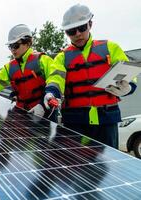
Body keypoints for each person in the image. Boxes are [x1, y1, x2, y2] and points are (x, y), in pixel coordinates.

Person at [53, 4, 137, 148]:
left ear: (90, 24)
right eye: (72, 31)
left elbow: (130, 76)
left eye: (82, 28)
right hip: (75, 122)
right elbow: (55, 80)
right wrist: (51, 93)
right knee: (75, 166)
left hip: (107, 119)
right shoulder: (61, 58)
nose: (78, 33)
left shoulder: (111, 48)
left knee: (109, 163)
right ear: (66, 33)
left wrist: (128, 88)